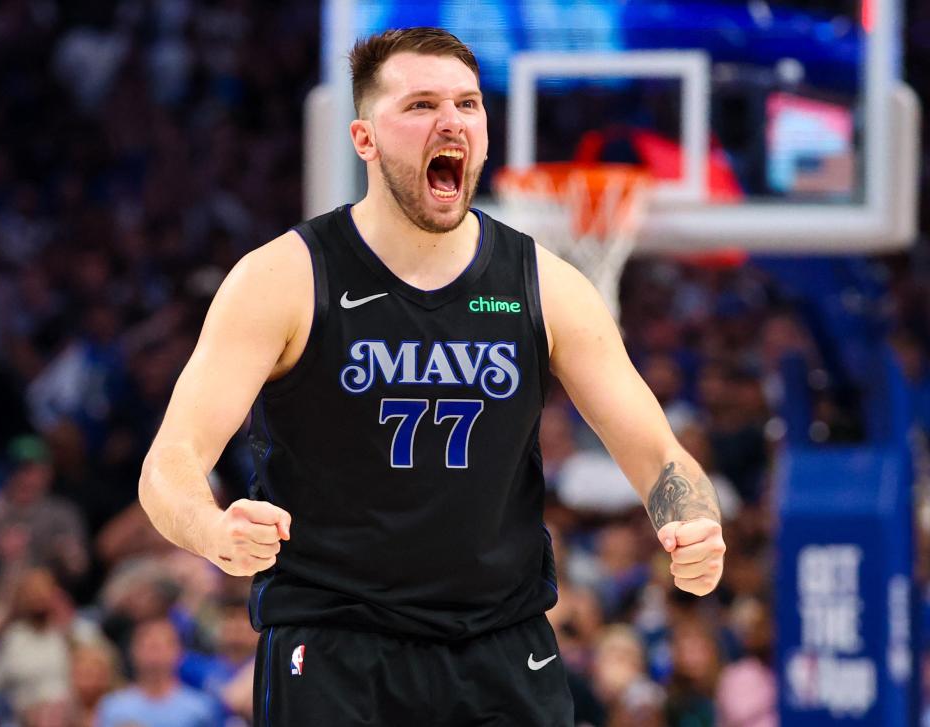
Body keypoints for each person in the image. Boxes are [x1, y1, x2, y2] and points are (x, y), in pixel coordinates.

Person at [139, 27, 725, 726]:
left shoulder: (546, 284)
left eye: (468, 104)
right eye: (420, 105)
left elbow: (661, 457)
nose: (451, 121)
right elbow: (167, 465)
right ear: (364, 139)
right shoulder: (283, 279)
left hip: (502, 648)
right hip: (337, 646)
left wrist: (692, 517)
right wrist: (211, 530)